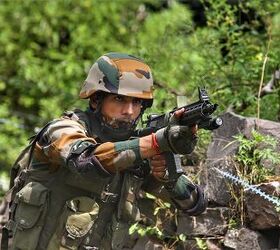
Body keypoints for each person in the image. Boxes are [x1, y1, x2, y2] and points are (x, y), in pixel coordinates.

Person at [2, 52, 207, 250]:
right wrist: (156, 142)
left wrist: (166, 176)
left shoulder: (136, 149)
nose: (128, 111)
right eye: (119, 99)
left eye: (137, 102)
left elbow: (194, 204)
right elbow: (85, 161)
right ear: (95, 100)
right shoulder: (63, 129)